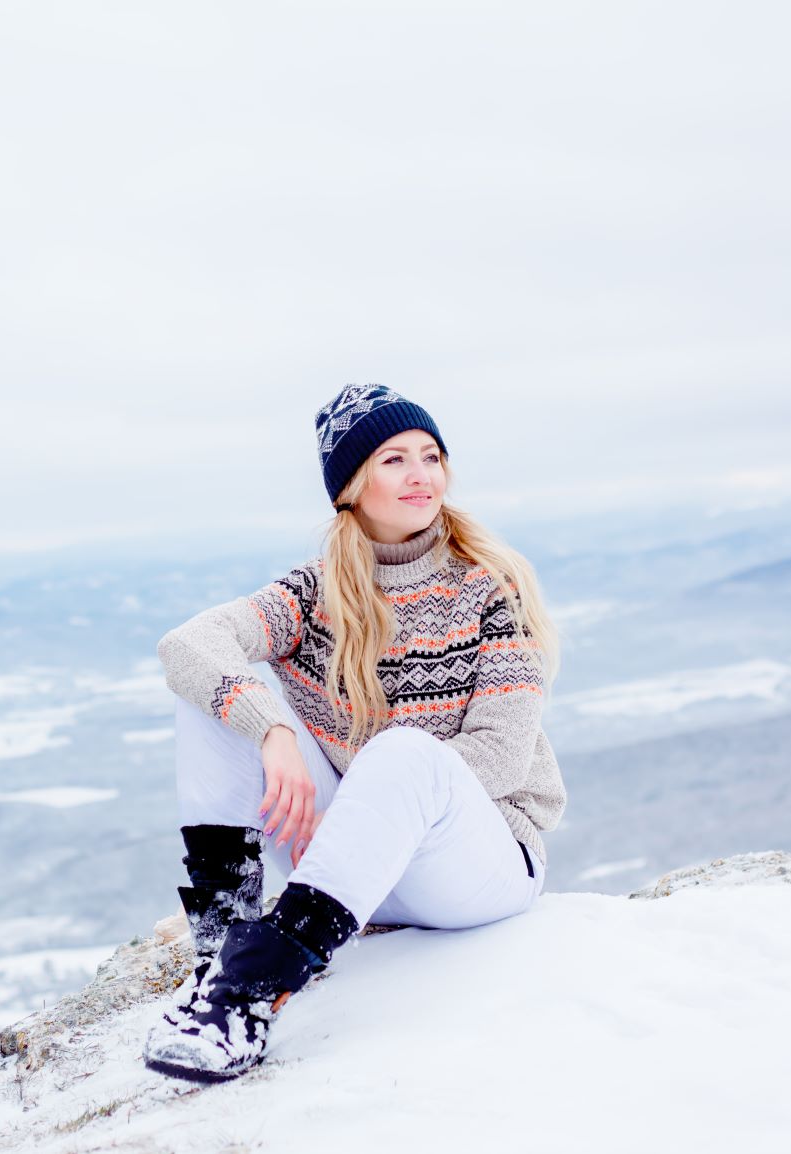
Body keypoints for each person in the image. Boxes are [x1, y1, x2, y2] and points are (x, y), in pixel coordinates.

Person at [141, 383, 567, 1082]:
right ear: (350, 488)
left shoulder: (490, 589)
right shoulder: (312, 595)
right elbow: (188, 644)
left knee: (404, 752)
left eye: (431, 456)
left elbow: (496, 756)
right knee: (212, 697)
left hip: (477, 864)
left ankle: (252, 991)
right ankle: (218, 953)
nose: (421, 474)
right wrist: (272, 725)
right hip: (352, 869)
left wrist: (366, 808)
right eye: (394, 459)